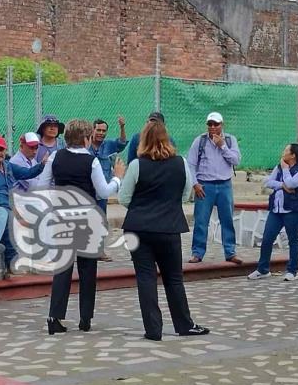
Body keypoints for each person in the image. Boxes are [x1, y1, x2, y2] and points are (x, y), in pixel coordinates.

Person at [119, 120, 210, 341]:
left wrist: (142, 206)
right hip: (169, 226)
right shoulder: (180, 163)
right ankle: (184, 324)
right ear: (166, 138)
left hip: (138, 227)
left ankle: (153, 329)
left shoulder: (136, 165)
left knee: (145, 278)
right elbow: (186, 194)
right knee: (174, 278)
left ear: (143, 140)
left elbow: (123, 198)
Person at [37, 119, 125, 334]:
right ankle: (85, 318)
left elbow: (41, 185)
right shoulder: (91, 161)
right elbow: (103, 192)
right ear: (86, 138)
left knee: (63, 269)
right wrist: (117, 178)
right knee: (87, 269)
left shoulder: (56, 156)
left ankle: (55, 316)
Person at [0, 135, 46, 269]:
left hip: (9, 204)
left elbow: (27, 173)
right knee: (10, 218)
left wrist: (42, 165)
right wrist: (13, 208)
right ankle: (11, 261)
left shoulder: (7, 165)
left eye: (2, 150)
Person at [248, 144, 298, 282]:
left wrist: (285, 171)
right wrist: (281, 185)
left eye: (286, 150)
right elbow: (268, 182)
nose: (283, 152)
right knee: (267, 239)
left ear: (293, 155)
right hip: (276, 210)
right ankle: (263, 269)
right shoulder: (278, 167)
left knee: (293, 240)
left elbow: (291, 184)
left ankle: (292, 271)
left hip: (293, 210)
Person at [186, 112, 242, 265]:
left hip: (225, 185)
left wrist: (222, 146)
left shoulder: (230, 140)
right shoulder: (200, 141)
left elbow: (236, 160)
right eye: (210, 124)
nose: (212, 127)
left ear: (221, 125)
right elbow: (190, 164)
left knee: (227, 220)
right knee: (201, 221)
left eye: (216, 124)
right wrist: (195, 184)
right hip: (205, 185)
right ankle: (197, 253)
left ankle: (230, 252)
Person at [88, 116, 127, 212]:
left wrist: (122, 127)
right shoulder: (85, 146)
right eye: (98, 130)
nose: (101, 133)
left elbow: (122, 143)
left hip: (102, 192)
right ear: (93, 130)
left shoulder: (109, 145)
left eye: (103, 131)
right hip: (87, 190)